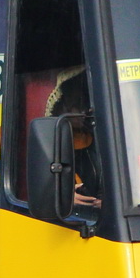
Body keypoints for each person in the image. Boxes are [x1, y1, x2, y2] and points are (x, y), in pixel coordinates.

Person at [46, 66, 101, 208]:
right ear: (62, 107)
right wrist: (64, 197)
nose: (84, 109)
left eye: (86, 101)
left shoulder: (101, 140)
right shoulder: (49, 145)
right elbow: (43, 190)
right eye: (77, 102)